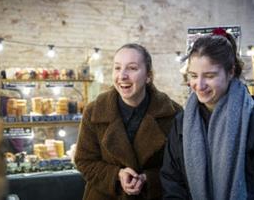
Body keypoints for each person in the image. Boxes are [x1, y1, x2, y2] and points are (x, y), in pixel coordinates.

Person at [160, 30, 254, 200]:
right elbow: (172, 182)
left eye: (209, 76)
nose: (199, 85)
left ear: (230, 72)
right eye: (193, 75)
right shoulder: (182, 123)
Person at [75, 43, 182, 200]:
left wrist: (147, 178)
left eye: (132, 68)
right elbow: (84, 161)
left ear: (148, 76)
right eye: (117, 68)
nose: (122, 76)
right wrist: (117, 175)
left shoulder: (173, 114)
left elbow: (180, 168)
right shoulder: (94, 111)